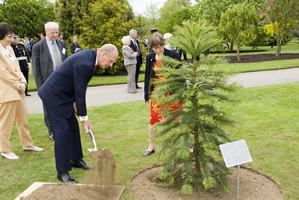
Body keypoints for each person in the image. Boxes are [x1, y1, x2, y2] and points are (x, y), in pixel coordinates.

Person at [38, 44, 119, 183]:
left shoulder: (91, 59)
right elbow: (81, 92)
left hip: (65, 95)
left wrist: (75, 103)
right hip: (53, 95)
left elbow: (78, 86)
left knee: (73, 128)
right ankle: (62, 172)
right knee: (62, 131)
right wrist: (84, 119)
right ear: (103, 54)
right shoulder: (85, 63)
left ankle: (75, 159)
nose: (111, 65)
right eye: (111, 61)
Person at [0, 23, 44, 160]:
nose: (11, 38)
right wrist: (17, 85)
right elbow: (3, 72)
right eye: (9, 36)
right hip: (7, 91)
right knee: (5, 122)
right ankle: (5, 149)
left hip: (18, 88)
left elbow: (17, 68)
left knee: (23, 119)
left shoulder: (10, 50)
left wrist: (23, 82)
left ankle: (27, 144)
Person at [143, 32, 181, 156]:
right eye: (155, 48)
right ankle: (151, 146)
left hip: (172, 92)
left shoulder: (173, 55)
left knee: (179, 118)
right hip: (157, 94)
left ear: (163, 45)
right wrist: (146, 95)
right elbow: (147, 77)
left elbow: (181, 75)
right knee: (153, 120)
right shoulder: (150, 57)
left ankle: (187, 145)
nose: (157, 50)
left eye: (159, 47)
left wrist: (181, 94)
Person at [32, 22, 68, 140]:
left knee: (62, 105)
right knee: (49, 108)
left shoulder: (62, 44)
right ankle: (52, 130)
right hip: (47, 82)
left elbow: (66, 62)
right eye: (52, 32)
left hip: (62, 82)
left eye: (57, 32)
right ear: (46, 31)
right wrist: (40, 87)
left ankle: (63, 127)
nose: (55, 35)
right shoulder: (38, 47)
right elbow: (36, 69)